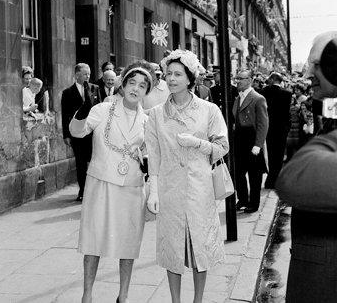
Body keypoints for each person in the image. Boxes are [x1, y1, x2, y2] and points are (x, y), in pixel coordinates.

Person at [145, 49, 229, 303]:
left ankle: (198, 300)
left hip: (199, 187)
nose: (171, 79)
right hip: (170, 189)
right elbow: (154, 155)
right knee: (173, 249)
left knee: (199, 248)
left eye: (178, 74)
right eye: (168, 74)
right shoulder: (157, 114)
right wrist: (154, 191)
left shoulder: (209, 110)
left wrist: (198, 143)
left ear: (190, 78)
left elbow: (223, 147)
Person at [70, 63, 153, 303]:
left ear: (146, 92)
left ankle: (123, 295)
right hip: (101, 183)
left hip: (131, 186)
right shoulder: (102, 110)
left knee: (128, 242)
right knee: (93, 240)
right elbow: (78, 132)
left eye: (142, 86)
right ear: (123, 85)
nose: (135, 89)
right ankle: (87, 295)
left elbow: (150, 154)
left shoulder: (147, 122)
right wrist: (83, 110)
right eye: (132, 83)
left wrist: (145, 159)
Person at [276, 31, 337, 303]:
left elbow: (293, 178)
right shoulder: (329, 106)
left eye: (317, 64)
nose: (308, 72)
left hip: (325, 275)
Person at [231, 68, 269, 213]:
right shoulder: (237, 97)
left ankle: (253, 203)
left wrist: (258, 145)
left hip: (252, 138)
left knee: (254, 175)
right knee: (238, 173)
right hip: (240, 138)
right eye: (237, 78)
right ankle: (242, 199)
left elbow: (263, 124)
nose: (237, 81)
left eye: (241, 79)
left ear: (249, 81)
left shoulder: (258, 98)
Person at [61, 63, 100, 201]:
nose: (88, 76)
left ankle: (95, 191)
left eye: (89, 74)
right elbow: (65, 115)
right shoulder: (67, 93)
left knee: (95, 161)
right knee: (81, 163)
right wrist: (66, 135)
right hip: (77, 134)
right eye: (85, 74)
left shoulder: (95, 89)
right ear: (77, 75)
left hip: (93, 132)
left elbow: (100, 110)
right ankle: (83, 191)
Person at [260, 72, 293, 189]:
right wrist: (287, 127)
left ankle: (270, 180)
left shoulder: (264, 91)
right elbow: (287, 114)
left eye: (269, 78)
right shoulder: (287, 94)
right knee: (279, 155)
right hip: (281, 129)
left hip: (268, 127)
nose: (268, 80)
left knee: (270, 153)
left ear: (273, 79)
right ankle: (275, 180)